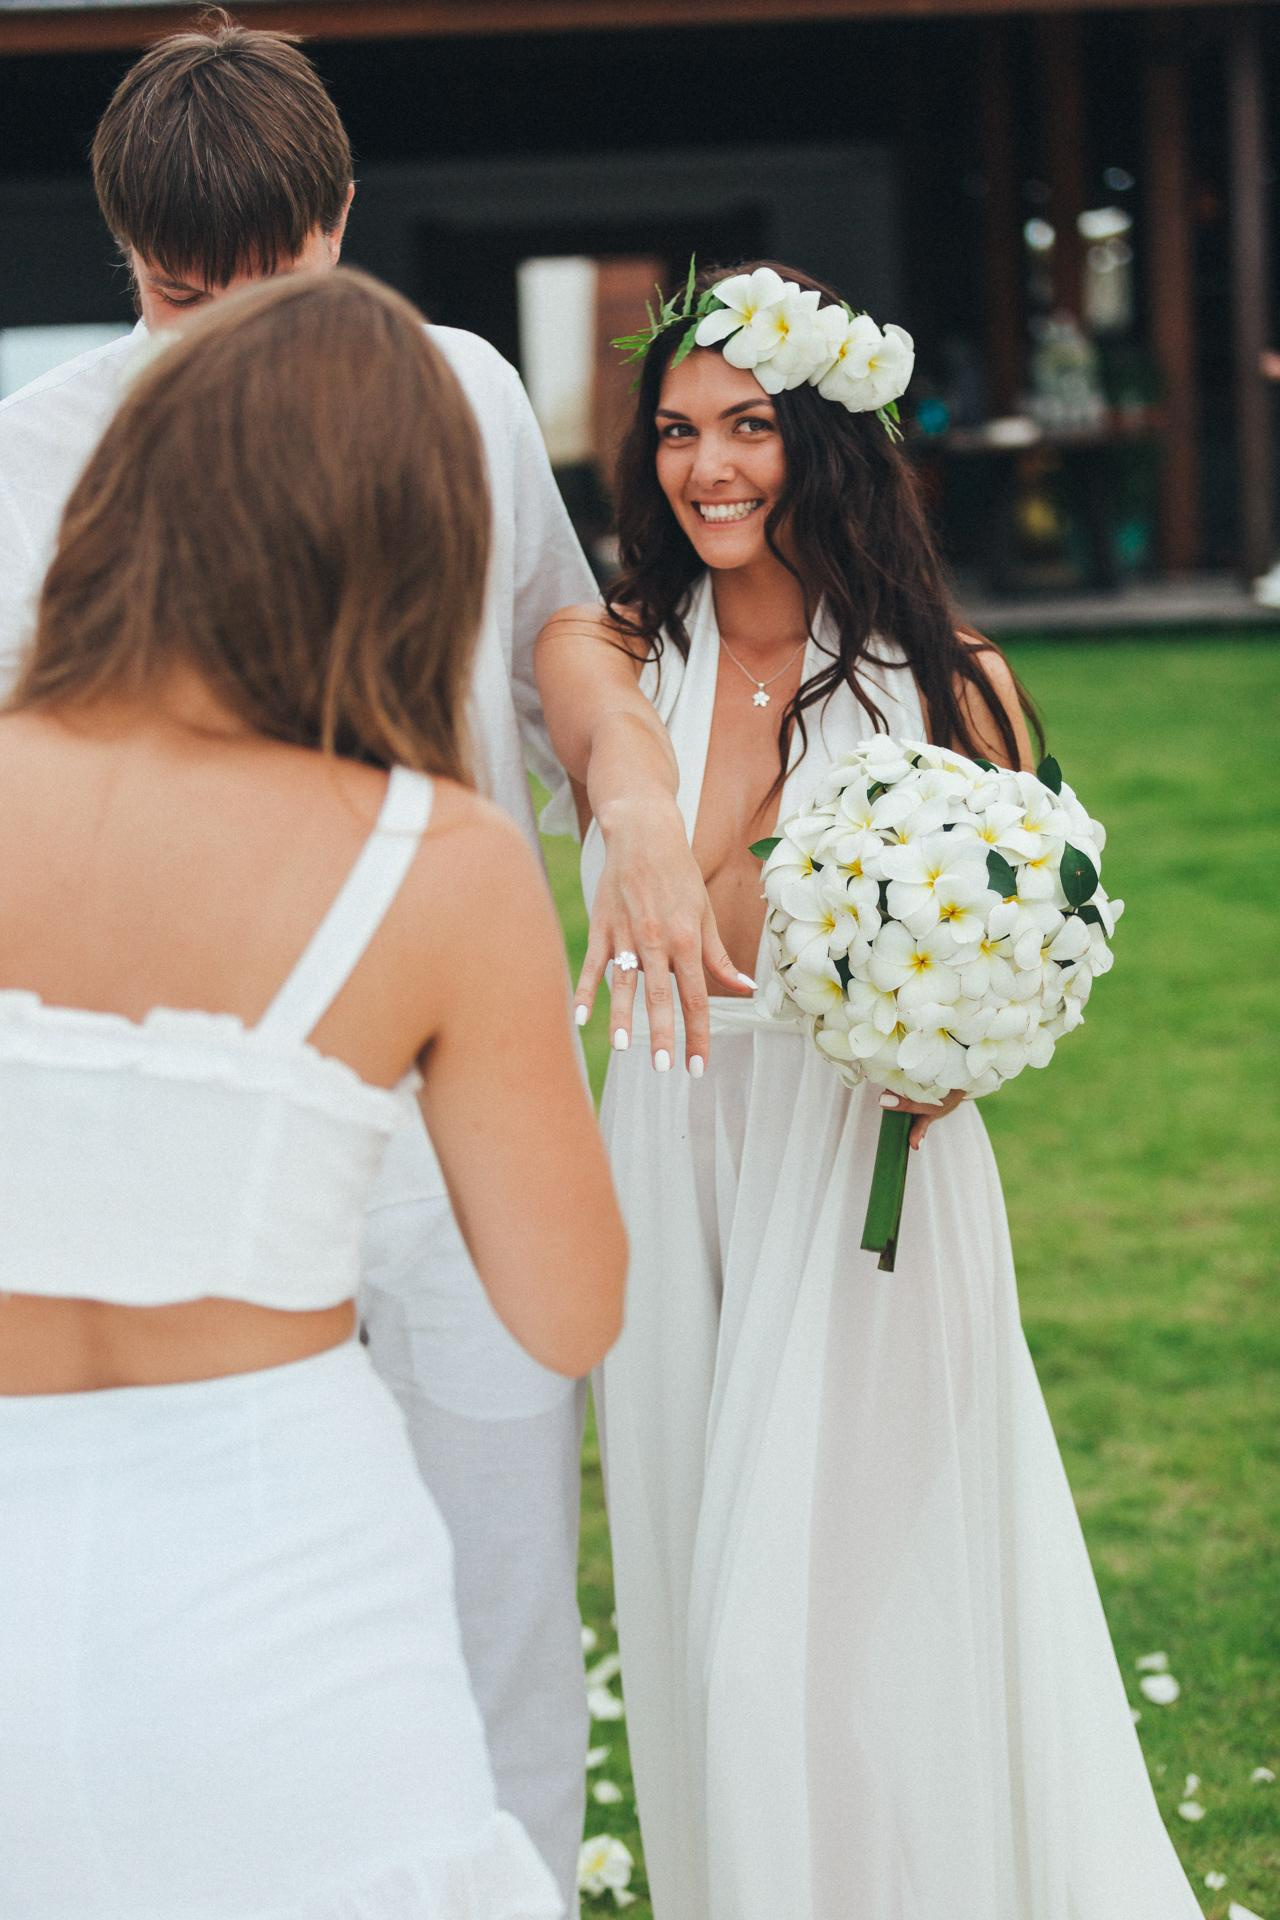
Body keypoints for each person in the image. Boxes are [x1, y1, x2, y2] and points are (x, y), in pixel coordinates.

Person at [0, 17, 606, 1903]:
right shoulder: (26, 456)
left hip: (445, 1120)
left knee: (501, 1611)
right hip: (154, 1147)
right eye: (190, 307)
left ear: (340, 220)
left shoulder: (476, 398)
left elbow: (560, 643)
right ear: (129, 263)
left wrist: (648, 782)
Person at [535, 261, 1205, 1920]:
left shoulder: (949, 683)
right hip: (672, 1152)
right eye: (679, 430)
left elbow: (1041, 944)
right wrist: (634, 829)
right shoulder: (605, 648)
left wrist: (955, 1061)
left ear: (825, 442)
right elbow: (592, 729)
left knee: (844, 1623)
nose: (708, 468)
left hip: (864, 1180)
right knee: (705, 1610)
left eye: (751, 427)